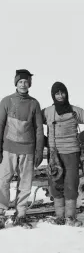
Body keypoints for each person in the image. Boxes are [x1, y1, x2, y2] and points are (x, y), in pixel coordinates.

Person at [0, 69, 44, 230]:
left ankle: (21, 215)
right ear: (16, 83)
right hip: (9, 149)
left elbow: (39, 129)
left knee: (25, 183)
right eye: (20, 82)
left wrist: (39, 150)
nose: (23, 84)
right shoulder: (7, 101)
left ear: (29, 84)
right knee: (3, 181)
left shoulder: (34, 103)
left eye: (26, 82)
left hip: (28, 149)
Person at [42, 81, 83, 227]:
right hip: (54, 154)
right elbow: (33, 123)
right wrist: (43, 139)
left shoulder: (74, 111)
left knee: (71, 183)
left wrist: (82, 137)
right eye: (57, 93)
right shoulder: (47, 111)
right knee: (55, 183)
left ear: (66, 93)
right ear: (53, 95)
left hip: (72, 152)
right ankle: (59, 216)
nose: (60, 96)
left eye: (62, 92)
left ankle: (70, 217)